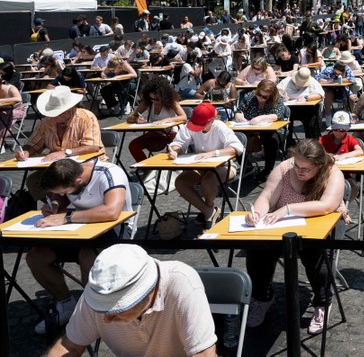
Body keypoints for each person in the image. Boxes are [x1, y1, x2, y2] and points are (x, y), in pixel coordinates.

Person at [243, 141, 347, 332]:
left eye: (306, 169)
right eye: (297, 166)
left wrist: (287, 209)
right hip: (285, 227)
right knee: (257, 250)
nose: (299, 171)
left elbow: (326, 206)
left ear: (319, 165)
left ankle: (323, 302)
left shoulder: (333, 173)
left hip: (322, 226)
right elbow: (267, 196)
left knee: (315, 255)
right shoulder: (284, 169)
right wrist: (256, 213)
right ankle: (262, 297)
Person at [46, 244, 217, 357]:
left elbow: (203, 354)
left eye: (115, 310)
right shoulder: (98, 294)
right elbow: (69, 346)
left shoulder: (182, 283)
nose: (106, 319)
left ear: (147, 293)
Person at [27, 157, 133, 334]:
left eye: (64, 192)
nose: (62, 195)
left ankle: (93, 310)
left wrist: (67, 217)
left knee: (86, 255)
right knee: (36, 256)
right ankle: (66, 303)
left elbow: (112, 211)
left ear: (78, 181)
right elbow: (59, 198)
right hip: (79, 229)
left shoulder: (109, 173)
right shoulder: (70, 176)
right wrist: (54, 205)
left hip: (116, 229)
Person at [16, 85, 103, 202]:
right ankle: (53, 206)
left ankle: (61, 205)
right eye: (53, 113)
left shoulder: (86, 117)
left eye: (59, 113)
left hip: (86, 165)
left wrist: (65, 153)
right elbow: (33, 144)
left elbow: (93, 147)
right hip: (58, 167)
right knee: (34, 181)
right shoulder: (46, 122)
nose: (55, 116)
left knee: (64, 179)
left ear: (71, 108)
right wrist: (26, 152)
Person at [166, 102, 243, 229]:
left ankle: (207, 209)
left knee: (208, 180)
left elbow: (237, 147)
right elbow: (179, 143)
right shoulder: (190, 126)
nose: (198, 128)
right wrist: (174, 150)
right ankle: (209, 211)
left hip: (224, 166)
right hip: (200, 165)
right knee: (180, 182)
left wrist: (214, 153)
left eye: (201, 125)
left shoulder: (220, 127)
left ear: (211, 120)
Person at [234, 79, 289, 176]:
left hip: (272, 130)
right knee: (236, 138)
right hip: (250, 128)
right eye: (259, 94)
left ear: (271, 96)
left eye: (264, 97)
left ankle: (268, 170)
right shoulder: (249, 96)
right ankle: (247, 166)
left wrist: (261, 118)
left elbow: (277, 115)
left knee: (272, 140)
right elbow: (239, 110)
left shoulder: (277, 99)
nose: (260, 98)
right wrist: (239, 115)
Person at [126, 76, 186, 164]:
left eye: (157, 99)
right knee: (133, 146)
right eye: (152, 98)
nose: (154, 101)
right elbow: (131, 116)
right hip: (156, 132)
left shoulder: (171, 101)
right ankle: (146, 167)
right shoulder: (147, 102)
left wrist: (166, 120)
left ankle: (166, 171)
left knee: (171, 151)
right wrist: (136, 119)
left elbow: (183, 116)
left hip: (171, 132)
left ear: (163, 95)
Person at [278, 66, 325, 138]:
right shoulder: (287, 80)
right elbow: (276, 91)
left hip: (307, 109)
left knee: (311, 119)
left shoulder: (312, 81)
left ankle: (311, 141)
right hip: (289, 108)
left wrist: (306, 97)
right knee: (285, 118)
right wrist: (282, 97)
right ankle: (288, 142)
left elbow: (320, 95)